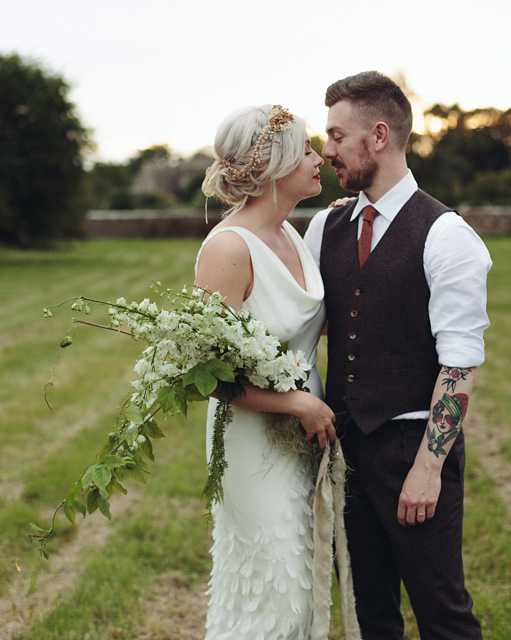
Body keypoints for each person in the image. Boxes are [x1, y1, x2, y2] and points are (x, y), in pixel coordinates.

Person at [303, 71, 491, 640]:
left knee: (443, 615)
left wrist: (429, 469)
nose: (326, 150)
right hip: (346, 451)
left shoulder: (447, 235)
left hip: (414, 448)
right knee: (368, 616)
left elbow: (459, 363)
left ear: (379, 136)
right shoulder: (324, 226)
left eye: (337, 136)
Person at [194, 104, 337, 640]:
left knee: (299, 586)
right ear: (275, 163)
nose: (319, 158)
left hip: (302, 437)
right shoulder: (230, 248)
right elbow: (208, 371)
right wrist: (295, 402)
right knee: (271, 591)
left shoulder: (291, 234)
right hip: (252, 439)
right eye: (306, 149)